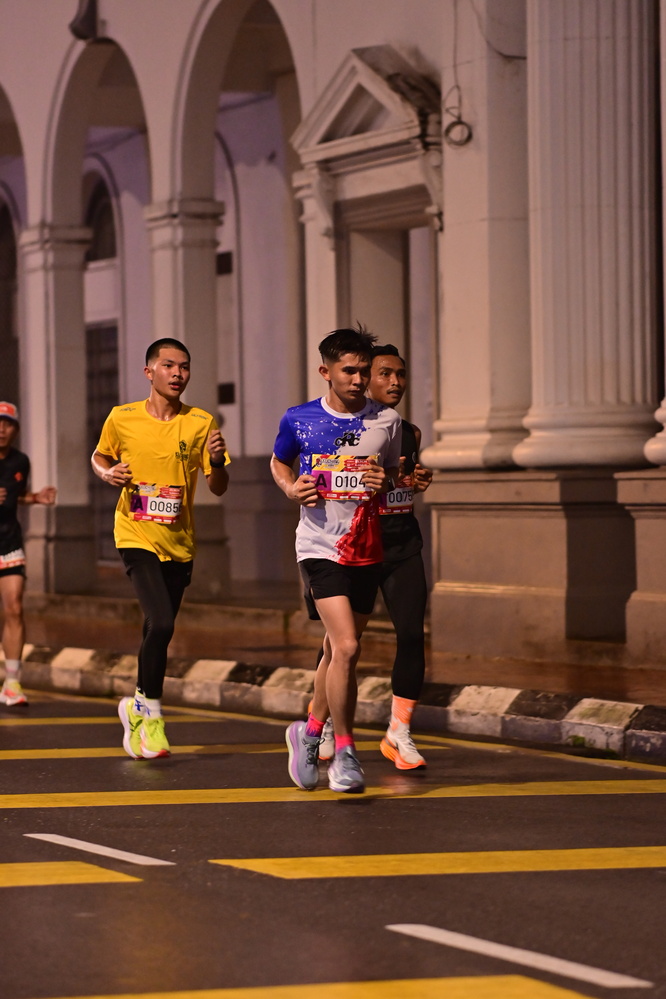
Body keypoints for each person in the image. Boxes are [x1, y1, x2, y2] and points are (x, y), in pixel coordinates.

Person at [271, 326, 401, 793]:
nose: (358, 379)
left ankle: (307, 731)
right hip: (319, 546)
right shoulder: (299, 419)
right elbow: (279, 462)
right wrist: (292, 488)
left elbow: (393, 472)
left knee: (335, 651)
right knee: (346, 647)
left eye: (364, 371)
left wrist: (385, 482)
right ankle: (344, 752)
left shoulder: (387, 421)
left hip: (366, 547)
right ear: (325, 372)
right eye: (349, 371)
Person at [91, 338, 229, 759]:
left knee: (157, 629)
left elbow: (218, 487)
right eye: (168, 365)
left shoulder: (201, 422)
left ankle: (136, 704)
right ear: (149, 372)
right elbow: (99, 456)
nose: (177, 374)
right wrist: (108, 473)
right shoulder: (122, 417)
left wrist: (217, 462)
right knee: (163, 622)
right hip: (135, 533)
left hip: (179, 542)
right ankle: (151, 716)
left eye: (184, 367)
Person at [0, 402, 57, 706]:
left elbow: (15, 496)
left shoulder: (20, 461)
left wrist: (35, 498)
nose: (1, 429)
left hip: (8, 542)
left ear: (16, 429)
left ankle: (12, 683)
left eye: (8, 423)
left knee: (15, 608)